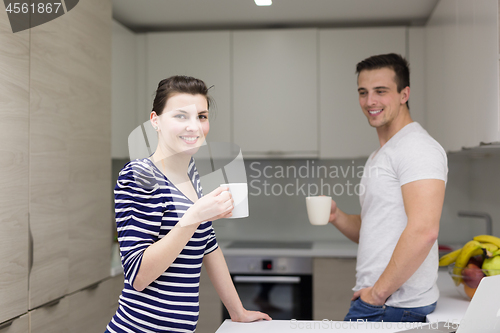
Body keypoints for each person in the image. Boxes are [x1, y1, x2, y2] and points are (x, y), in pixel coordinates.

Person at [106, 76, 271, 332]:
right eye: (181, 116)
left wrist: (237, 312)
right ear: (155, 121)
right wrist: (193, 217)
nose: (194, 127)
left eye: (201, 116)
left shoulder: (190, 172)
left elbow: (208, 246)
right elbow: (137, 276)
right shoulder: (140, 175)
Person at [328, 53, 448, 322]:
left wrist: (376, 295)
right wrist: (336, 217)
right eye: (363, 92)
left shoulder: (417, 148)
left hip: (393, 305)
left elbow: (424, 231)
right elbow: (376, 228)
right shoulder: (381, 154)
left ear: (404, 94)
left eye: (380, 91)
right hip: (381, 302)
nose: (370, 101)